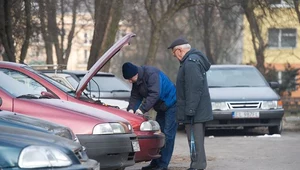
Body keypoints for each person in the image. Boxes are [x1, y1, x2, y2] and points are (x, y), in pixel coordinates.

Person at [122, 62, 178, 170]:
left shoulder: (152, 74)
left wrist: (141, 110)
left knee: (168, 135)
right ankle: (155, 163)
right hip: (161, 107)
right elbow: (135, 96)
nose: (129, 81)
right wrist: (131, 110)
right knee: (158, 134)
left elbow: (154, 94)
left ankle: (163, 165)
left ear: (136, 74)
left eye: (130, 78)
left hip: (172, 104)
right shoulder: (136, 80)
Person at [168, 37, 213, 170]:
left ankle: (197, 166)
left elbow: (194, 88)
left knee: (195, 140)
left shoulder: (190, 63)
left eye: (174, 53)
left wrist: (191, 110)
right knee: (196, 140)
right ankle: (197, 164)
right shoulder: (192, 60)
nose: (175, 57)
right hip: (197, 109)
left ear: (180, 50)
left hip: (195, 111)